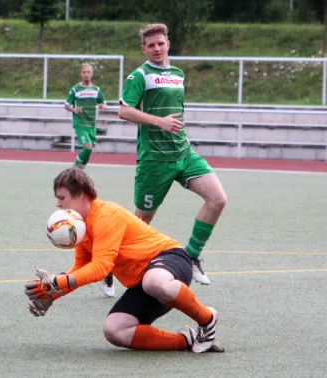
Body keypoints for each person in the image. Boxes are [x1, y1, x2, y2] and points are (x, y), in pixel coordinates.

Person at [24, 168, 223, 353]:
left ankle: (207, 319)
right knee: (114, 330)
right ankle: (188, 340)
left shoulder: (105, 215)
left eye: (61, 198)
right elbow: (81, 269)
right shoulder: (81, 227)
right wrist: (50, 294)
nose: (58, 204)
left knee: (154, 281)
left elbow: (101, 268)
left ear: (80, 195)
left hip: (170, 258)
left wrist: (56, 283)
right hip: (143, 283)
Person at [118, 23, 227, 285]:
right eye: (151, 45)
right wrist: (159, 122)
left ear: (168, 44)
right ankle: (112, 266)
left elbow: (178, 111)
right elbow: (123, 111)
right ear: (143, 49)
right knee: (141, 221)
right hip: (155, 160)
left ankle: (190, 257)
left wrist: (181, 135)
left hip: (184, 154)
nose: (156, 48)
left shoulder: (178, 74)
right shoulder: (139, 76)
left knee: (217, 199)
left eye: (160, 43)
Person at [64, 63, 114, 297]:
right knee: (88, 146)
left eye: (89, 73)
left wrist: (104, 105)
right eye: (83, 72)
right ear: (80, 75)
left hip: (92, 123)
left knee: (91, 148)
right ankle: (75, 169)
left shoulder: (96, 89)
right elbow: (66, 104)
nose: (86, 75)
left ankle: (77, 170)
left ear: (92, 75)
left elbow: (102, 103)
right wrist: (73, 110)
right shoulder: (75, 89)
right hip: (80, 123)